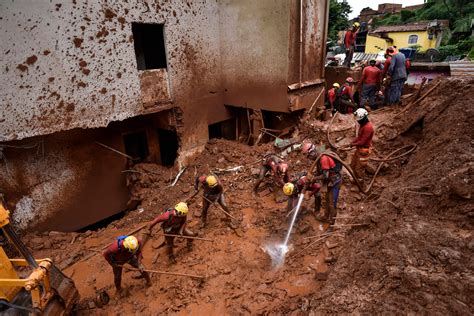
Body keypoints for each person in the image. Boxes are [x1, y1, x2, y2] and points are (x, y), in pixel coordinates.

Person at [304, 144, 342, 224]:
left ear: (312, 153)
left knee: (332, 203)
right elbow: (320, 171)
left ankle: (332, 223)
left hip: (335, 182)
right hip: (330, 182)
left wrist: (314, 178)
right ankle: (325, 216)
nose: (309, 158)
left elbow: (325, 175)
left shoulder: (323, 158)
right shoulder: (319, 157)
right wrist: (312, 177)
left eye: (309, 156)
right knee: (327, 200)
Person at [350, 108, 374, 180]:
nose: (358, 121)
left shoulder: (368, 128)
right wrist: (353, 141)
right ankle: (356, 180)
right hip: (359, 149)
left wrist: (353, 144)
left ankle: (361, 185)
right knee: (352, 165)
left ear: (363, 118)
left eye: (359, 120)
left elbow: (362, 141)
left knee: (359, 169)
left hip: (364, 150)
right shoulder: (363, 125)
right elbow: (359, 137)